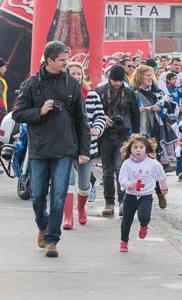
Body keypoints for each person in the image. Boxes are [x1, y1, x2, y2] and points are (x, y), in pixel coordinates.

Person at [12, 41, 90, 258]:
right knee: (37, 196)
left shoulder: (72, 84)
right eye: (63, 60)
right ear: (50, 61)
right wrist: (39, 111)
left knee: (58, 196)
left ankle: (52, 240)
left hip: (65, 148)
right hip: (39, 148)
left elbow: (81, 119)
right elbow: (18, 114)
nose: (67, 63)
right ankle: (43, 225)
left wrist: (84, 150)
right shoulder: (32, 84)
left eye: (67, 59)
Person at [95, 65, 139, 217]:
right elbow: (93, 111)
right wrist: (102, 118)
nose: (117, 84)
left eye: (120, 81)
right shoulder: (99, 91)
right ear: (109, 79)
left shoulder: (129, 92)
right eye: (115, 81)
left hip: (123, 135)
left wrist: (136, 136)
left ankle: (122, 202)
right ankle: (109, 202)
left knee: (121, 169)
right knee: (107, 171)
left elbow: (135, 114)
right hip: (105, 135)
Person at [66, 63, 106, 229]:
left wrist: (97, 128)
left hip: (86, 145)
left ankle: (81, 208)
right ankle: (67, 217)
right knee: (67, 181)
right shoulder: (63, 94)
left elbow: (100, 116)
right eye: (73, 73)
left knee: (83, 184)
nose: (76, 76)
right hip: (66, 144)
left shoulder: (92, 95)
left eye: (79, 73)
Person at [117, 134, 169, 253]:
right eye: (135, 147)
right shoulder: (127, 163)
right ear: (130, 149)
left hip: (146, 196)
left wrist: (163, 188)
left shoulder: (153, 163)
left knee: (144, 216)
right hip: (130, 195)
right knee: (126, 220)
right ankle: (124, 241)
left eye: (141, 147)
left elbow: (161, 176)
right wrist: (128, 184)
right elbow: (122, 178)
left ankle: (144, 225)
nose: (138, 150)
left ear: (146, 148)